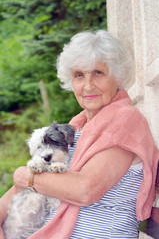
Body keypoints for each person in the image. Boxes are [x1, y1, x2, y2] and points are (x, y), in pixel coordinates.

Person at [0, 30, 159, 239]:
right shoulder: (76, 128)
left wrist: (26, 176)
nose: (88, 85)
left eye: (98, 73)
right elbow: (18, 195)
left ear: (117, 75)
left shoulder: (125, 121)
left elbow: (85, 190)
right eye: (79, 75)